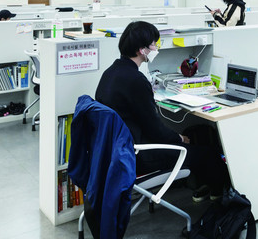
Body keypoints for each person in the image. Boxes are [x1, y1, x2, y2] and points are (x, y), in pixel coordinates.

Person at [95, 21, 229, 201]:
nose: (156, 47)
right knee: (207, 153)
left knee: (192, 141)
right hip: (138, 155)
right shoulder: (136, 80)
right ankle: (220, 197)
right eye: (153, 44)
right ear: (141, 50)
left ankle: (204, 188)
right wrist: (179, 138)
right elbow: (155, 129)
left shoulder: (110, 72)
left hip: (117, 151)